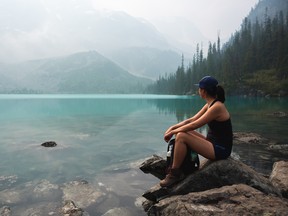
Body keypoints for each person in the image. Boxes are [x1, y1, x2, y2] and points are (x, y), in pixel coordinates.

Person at [160, 76, 233, 187]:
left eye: (199, 88)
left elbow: (195, 125)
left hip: (220, 149)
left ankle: (174, 174)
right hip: (212, 143)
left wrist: (172, 132)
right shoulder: (210, 104)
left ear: (203, 91)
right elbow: (191, 120)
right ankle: (185, 166)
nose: (198, 91)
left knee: (182, 136)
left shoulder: (217, 107)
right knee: (179, 133)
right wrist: (172, 128)